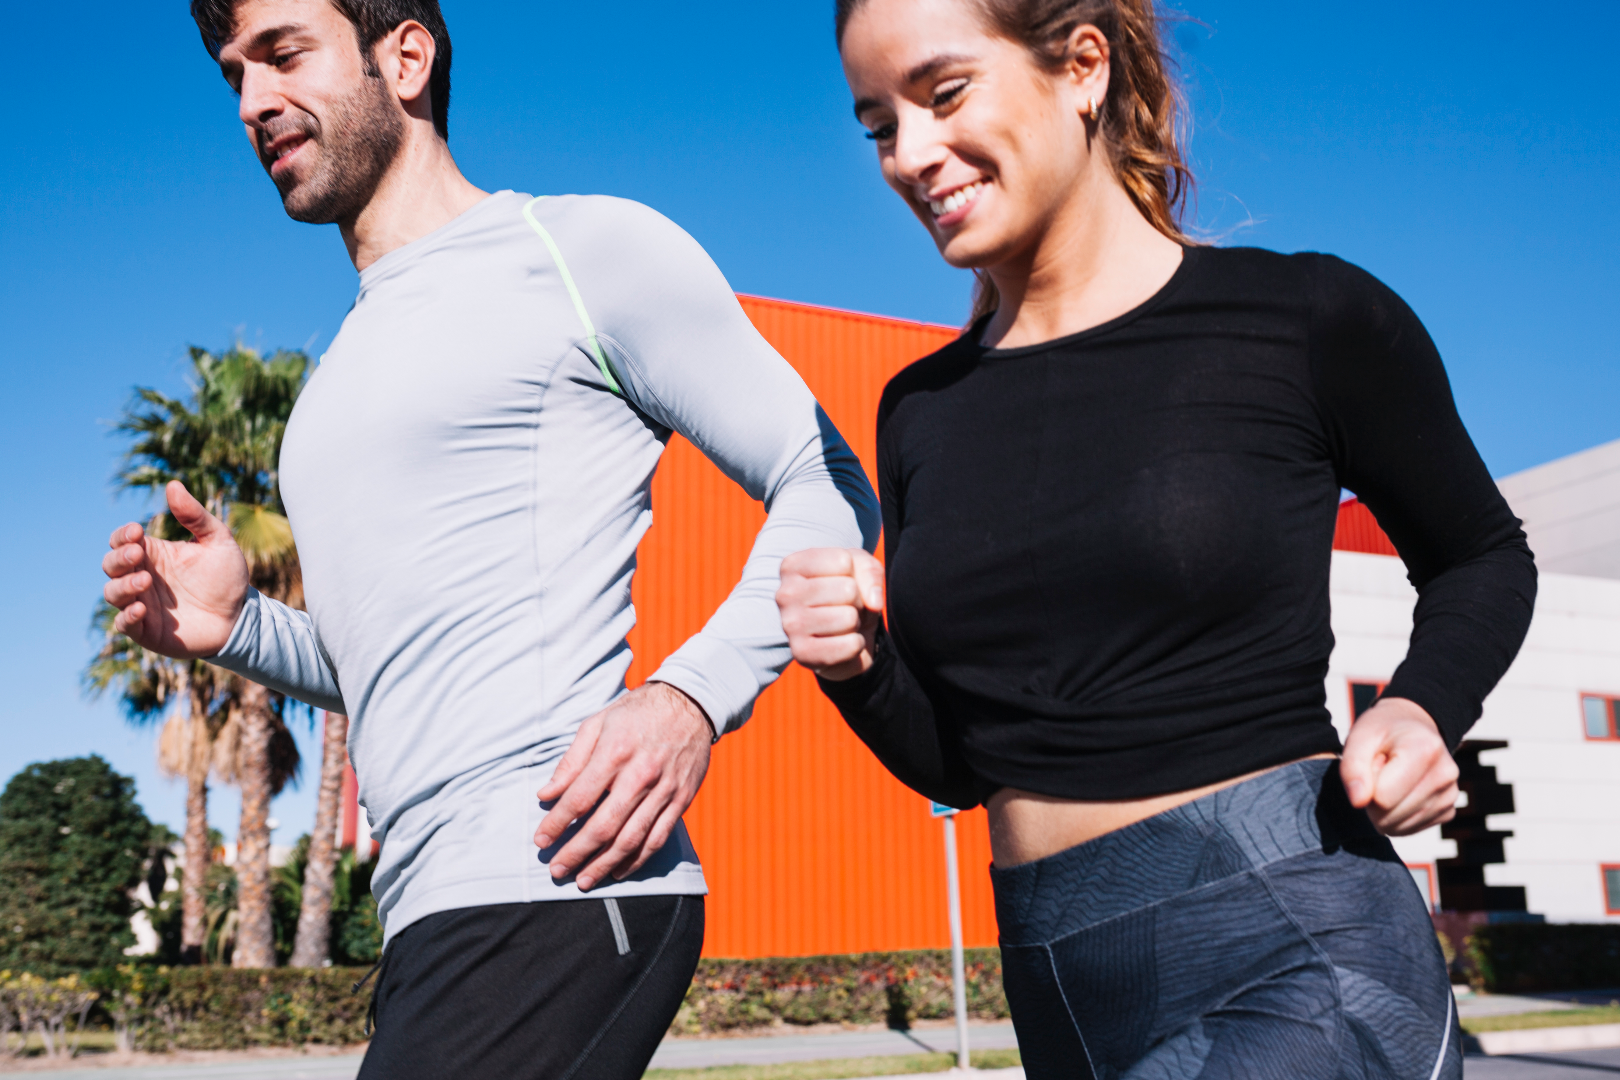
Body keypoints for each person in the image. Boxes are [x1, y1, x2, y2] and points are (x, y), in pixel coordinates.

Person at [100, 0, 879, 1076]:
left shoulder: (580, 251)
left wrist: (690, 697)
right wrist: (238, 628)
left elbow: (829, 478)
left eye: (283, 54)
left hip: (559, 881)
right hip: (428, 914)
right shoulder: (325, 398)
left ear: (405, 56)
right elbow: (394, 667)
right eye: (234, 74)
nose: (252, 102)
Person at [776, 0, 1536, 1076]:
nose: (910, 155)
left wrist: (1420, 704)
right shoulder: (921, 411)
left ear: (1082, 66)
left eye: (943, 96)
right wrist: (857, 666)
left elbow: (1481, 555)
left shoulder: (1303, 318)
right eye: (878, 127)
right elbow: (973, 760)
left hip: (1292, 944)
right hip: (1057, 986)